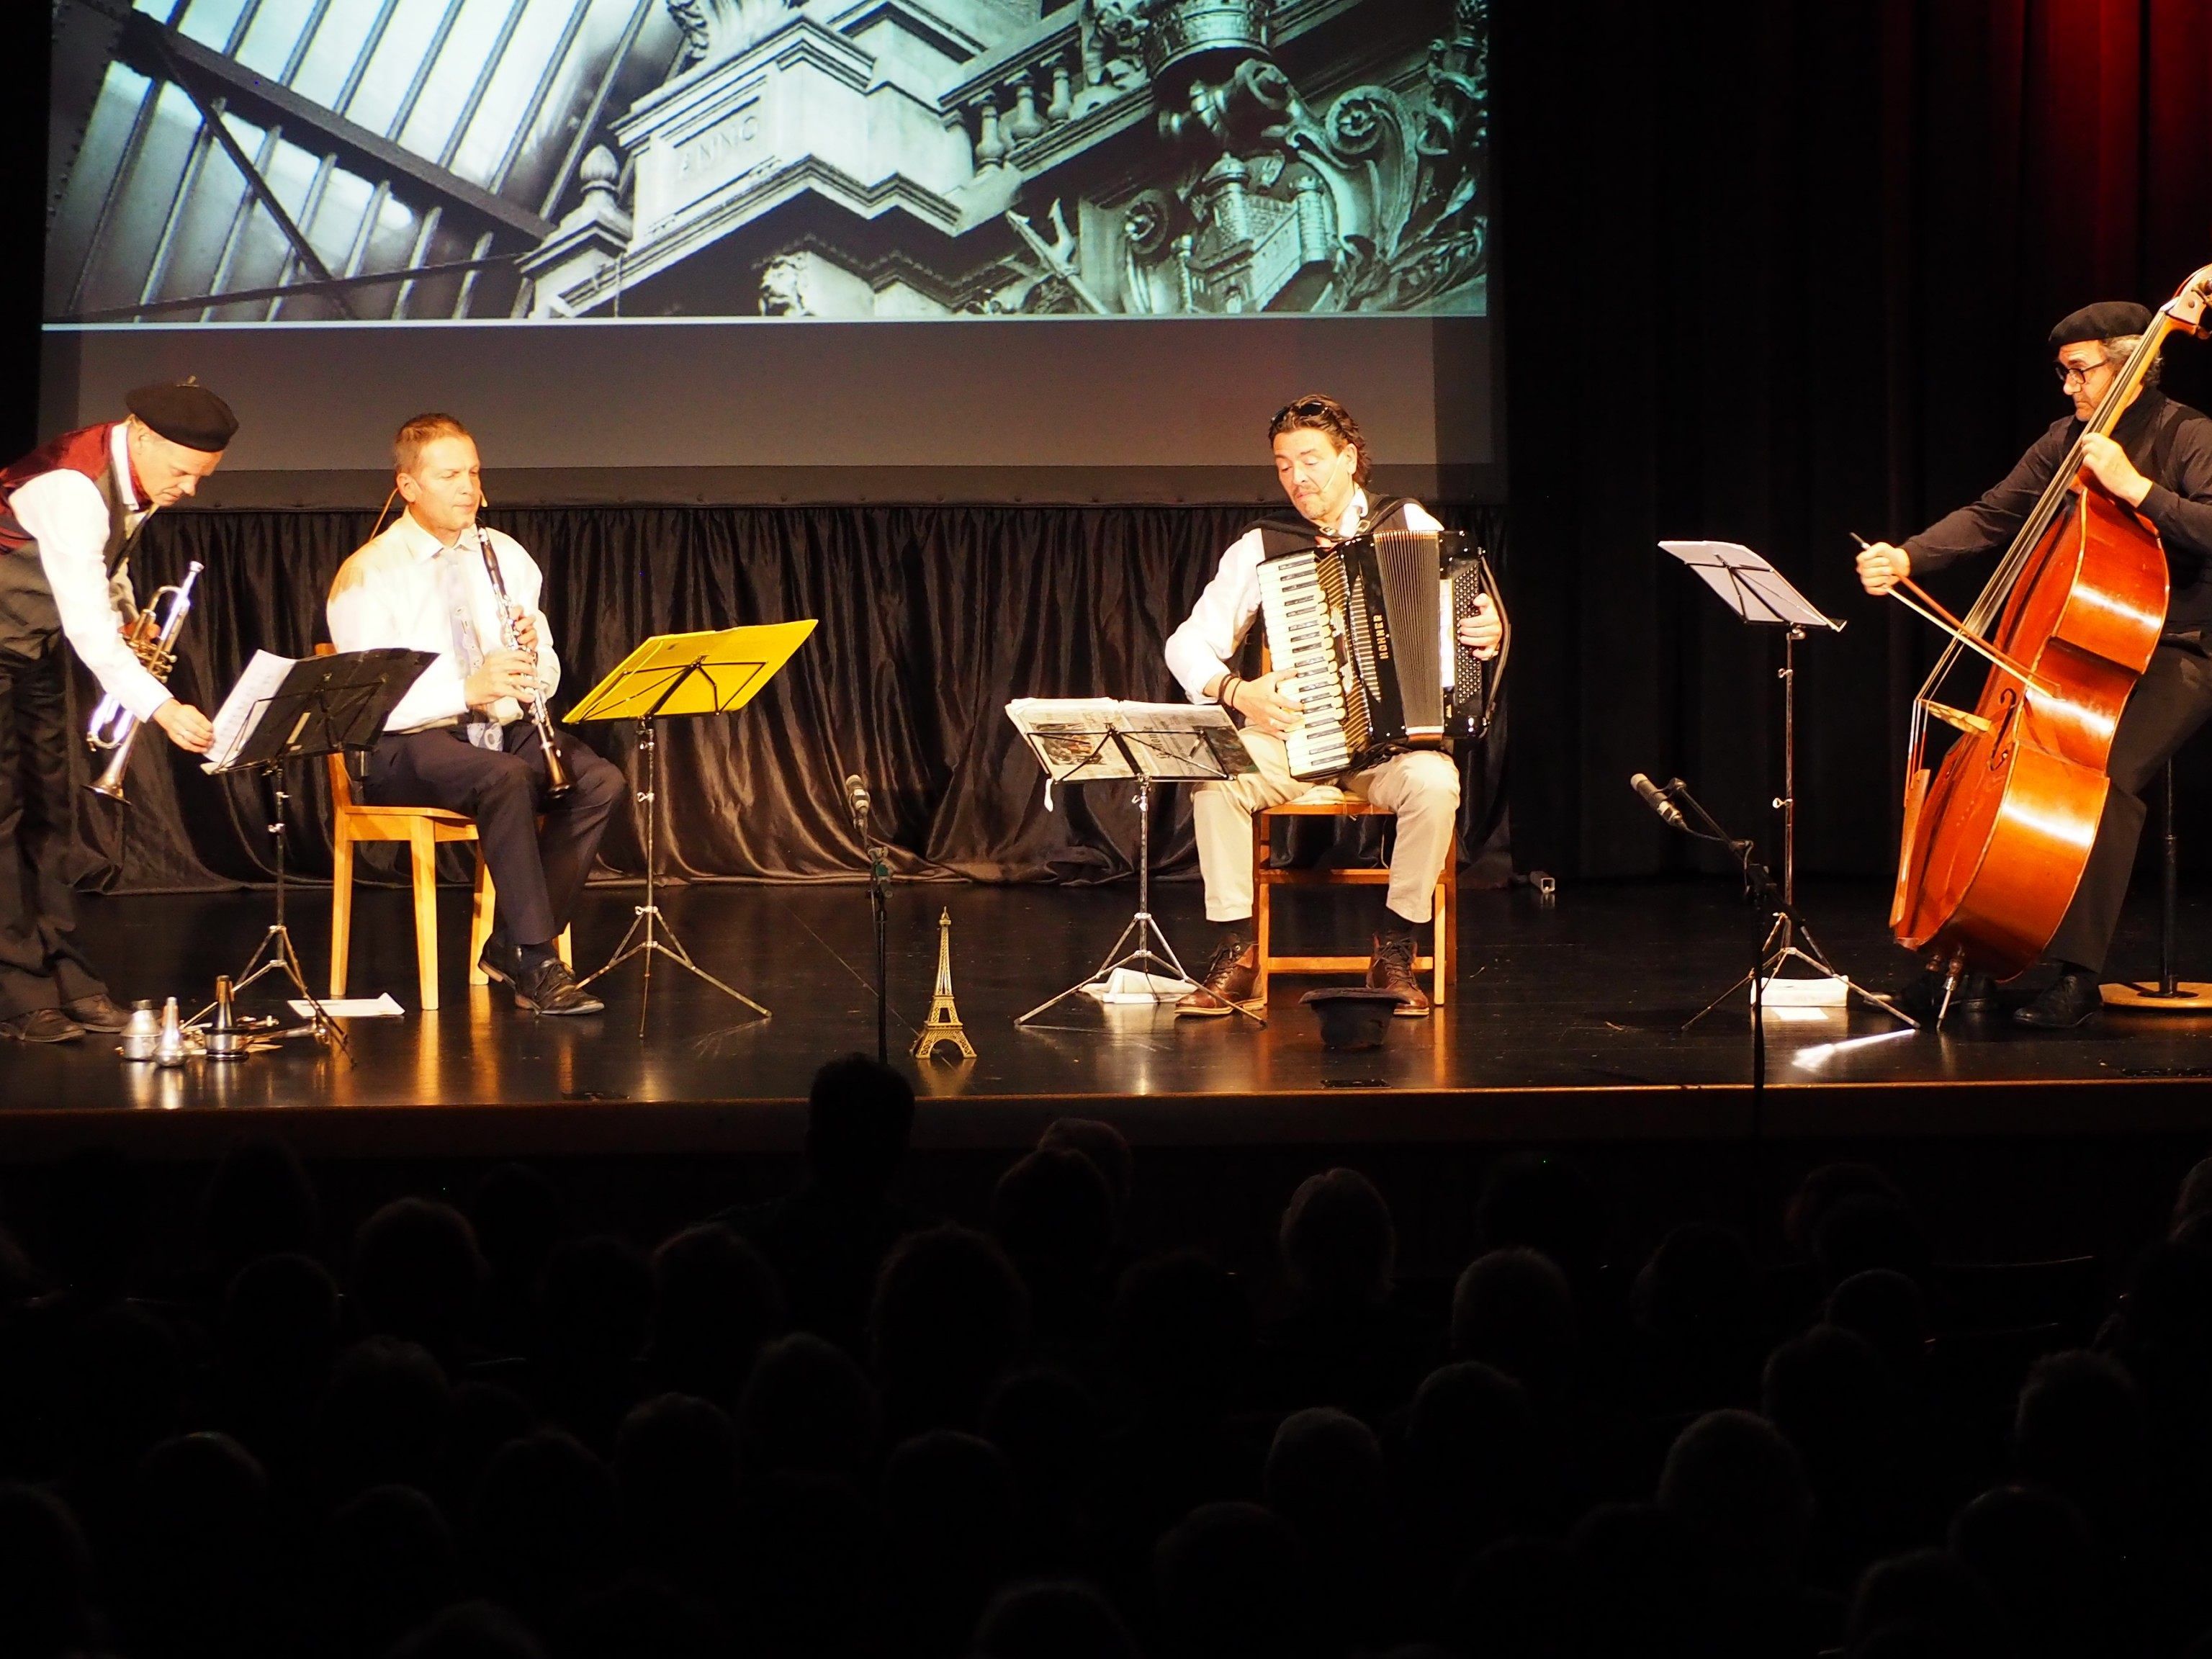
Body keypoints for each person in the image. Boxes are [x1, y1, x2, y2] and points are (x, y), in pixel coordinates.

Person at [1858, 301, 2212, 1028]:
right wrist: (1909, 555)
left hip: (2181, 650)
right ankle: (1973, 952)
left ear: (2132, 365)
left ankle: (2077, 978)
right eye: (2063, 372)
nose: (2068, 387)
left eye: (2080, 371)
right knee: (1998, 771)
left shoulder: (2189, 434)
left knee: (2103, 781)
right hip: (2086, 649)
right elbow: (1993, 514)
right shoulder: (2065, 440)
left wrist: (2137, 488)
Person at [1164, 393, 1503, 1016]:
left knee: (1435, 785)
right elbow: (1186, 644)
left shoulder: (1410, 526)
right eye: (1284, 464)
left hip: (1391, 750)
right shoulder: (1265, 545)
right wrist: (1236, 691)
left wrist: (1488, 631)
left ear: (1349, 459)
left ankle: (1395, 948)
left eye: (1311, 460)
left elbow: (1470, 618)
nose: (1297, 477)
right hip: (1295, 739)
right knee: (1217, 779)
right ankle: (1237, 952)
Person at [327, 413, 623, 1016]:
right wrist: (466, 690)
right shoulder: (368, 574)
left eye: (474, 472)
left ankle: (509, 942)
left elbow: (544, 672)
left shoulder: (505, 555)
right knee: (504, 778)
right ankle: (538, 961)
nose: (469, 487)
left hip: (499, 730)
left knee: (600, 781)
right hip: (403, 746)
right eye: (450, 475)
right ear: (408, 486)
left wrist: (533, 663)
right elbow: (368, 706)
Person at [0, 382, 231, 1042]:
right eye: (182, 471)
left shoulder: (134, 476)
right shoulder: (74, 486)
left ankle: (68, 976)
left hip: (31, 644)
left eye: (202, 477)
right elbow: (87, 631)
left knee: (50, 813)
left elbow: (104, 567)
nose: (189, 488)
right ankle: (17, 994)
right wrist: (162, 708)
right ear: (143, 434)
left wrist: (132, 617)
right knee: (2, 818)